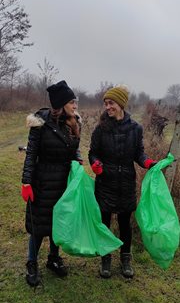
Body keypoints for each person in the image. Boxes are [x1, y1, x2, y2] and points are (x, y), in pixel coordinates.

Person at [88, 85, 156, 279]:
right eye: (106, 104)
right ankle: (105, 258)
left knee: (125, 224)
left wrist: (147, 162)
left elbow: (139, 153)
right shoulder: (100, 129)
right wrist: (96, 163)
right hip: (106, 183)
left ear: (121, 104)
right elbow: (93, 152)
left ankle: (126, 258)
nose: (107, 107)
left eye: (111, 103)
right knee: (105, 222)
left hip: (126, 182)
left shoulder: (136, 128)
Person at [21, 80, 82, 287]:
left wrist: (79, 161)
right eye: (72, 102)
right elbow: (30, 154)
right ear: (62, 103)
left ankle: (53, 259)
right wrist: (26, 182)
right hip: (42, 182)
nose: (75, 106)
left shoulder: (74, 122)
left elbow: (75, 149)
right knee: (38, 226)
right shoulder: (40, 123)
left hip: (64, 183)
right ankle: (32, 263)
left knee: (58, 224)